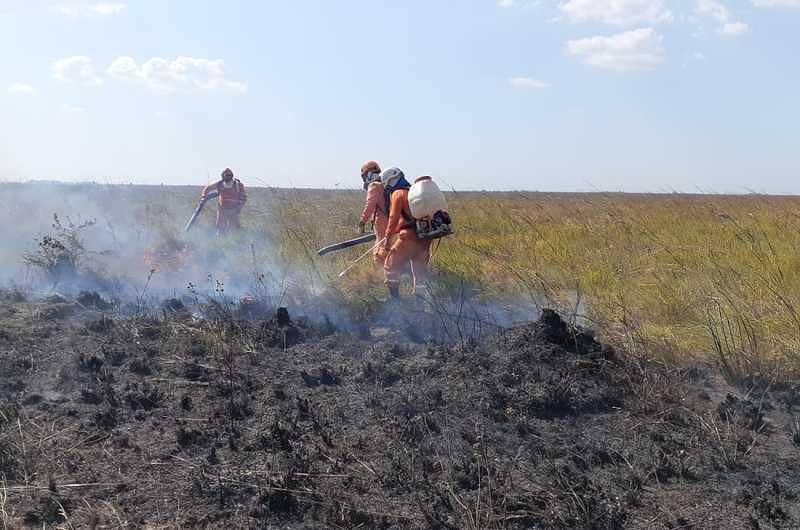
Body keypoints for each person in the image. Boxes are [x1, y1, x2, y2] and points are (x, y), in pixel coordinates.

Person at [378, 167, 431, 299]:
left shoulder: (398, 193)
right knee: (419, 274)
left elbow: (393, 218)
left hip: (409, 238)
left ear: (389, 181)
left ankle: (395, 304)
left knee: (390, 266)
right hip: (425, 238)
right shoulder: (414, 192)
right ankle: (420, 304)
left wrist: (387, 237)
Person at [358, 160, 389, 263]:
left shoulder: (374, 185)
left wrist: (362, 222)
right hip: (393, 219)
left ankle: (382, 274)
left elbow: (369, 205)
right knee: (389, 245)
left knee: (380, 249)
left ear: (368, 174)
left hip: (382, 221)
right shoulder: (385, 183)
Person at [201, 168, 247, 235]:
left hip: (234, 209)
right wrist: (203, 197)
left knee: (234, 228)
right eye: (226, 175)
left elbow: (243, 197)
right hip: (222, 209)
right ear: (223, 176)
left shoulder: (238, 185)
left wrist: (239, 207)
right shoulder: (219, 184)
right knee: (220, 227)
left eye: (229, 175)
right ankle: (221, 240)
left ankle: (234, 240)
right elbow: (208, 188)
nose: (227, 176)